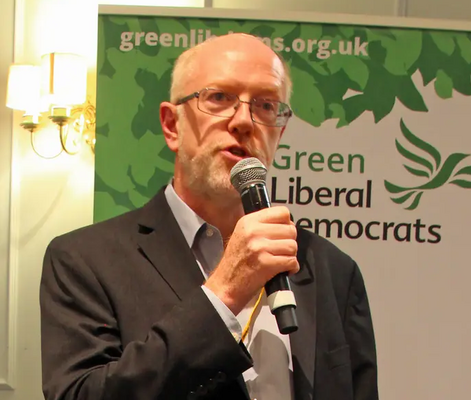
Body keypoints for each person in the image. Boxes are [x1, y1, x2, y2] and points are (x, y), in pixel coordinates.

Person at [40, 33, 378, 400]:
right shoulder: (84, 260)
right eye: (219, 98)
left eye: (266, 105)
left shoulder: (332, 270)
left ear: (279, 131)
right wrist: (223, 294)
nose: (244, 121)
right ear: (172, 125)